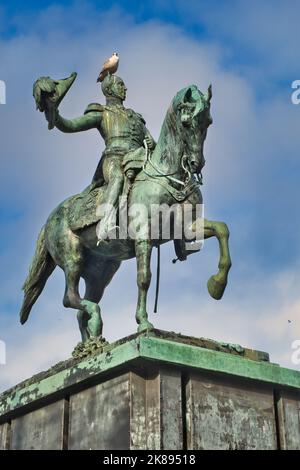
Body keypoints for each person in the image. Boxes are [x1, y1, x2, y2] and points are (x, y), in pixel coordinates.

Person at [54, 73, 156, 239]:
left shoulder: (136, 117)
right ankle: (106, 222)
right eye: (121, 85)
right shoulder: (102, 112)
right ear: (110, 89)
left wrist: (152, 145)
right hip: (114, 159)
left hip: (139, 159)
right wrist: (55, 116)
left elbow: (153, 143)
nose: (125, 88)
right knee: (117, 178)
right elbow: (70, 125)